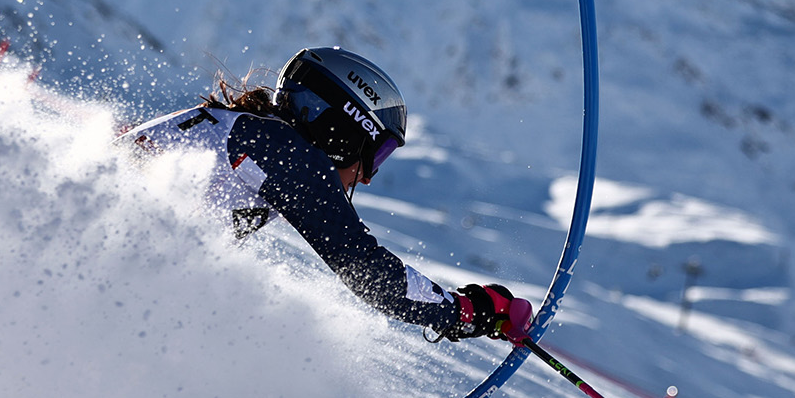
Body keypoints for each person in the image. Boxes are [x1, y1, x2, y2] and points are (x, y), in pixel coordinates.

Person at [124, 47, 532, 345]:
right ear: (342, 132)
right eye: (376, 155)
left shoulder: (256, 135)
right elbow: (364, 267)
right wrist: (468, 311)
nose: (367, 178)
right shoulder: (284, 150)